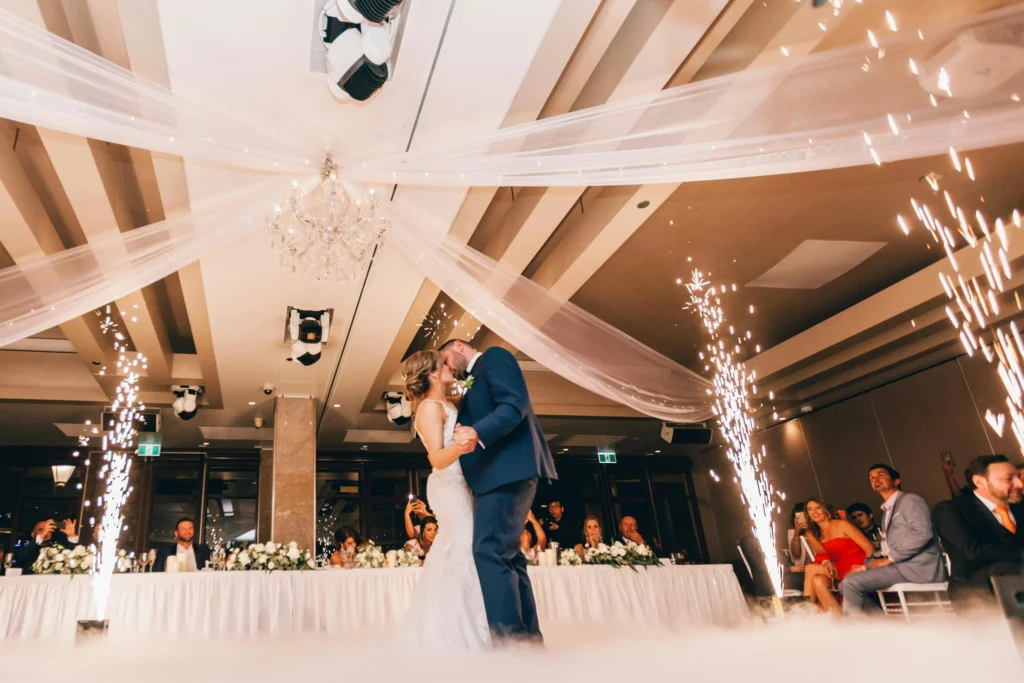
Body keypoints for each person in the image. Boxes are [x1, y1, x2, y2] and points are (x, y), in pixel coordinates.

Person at [441, 339, 558, 645]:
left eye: (446, 359)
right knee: (508, 555)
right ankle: (526, 642)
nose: (448, 368)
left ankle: (509, 642)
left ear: (458, 346)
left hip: (505, 472)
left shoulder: (493, 357)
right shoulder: (473, 378)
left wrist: (477, 431)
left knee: (488, 550)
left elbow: (514, 403)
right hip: (498, 475)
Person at [395, 349, 490, 650]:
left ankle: (464, 621)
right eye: (443, 363)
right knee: (464, 544)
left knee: (462, 548)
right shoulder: (428, 408)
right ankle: (457, 630)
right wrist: (463, 444)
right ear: (433, 373)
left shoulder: (449, 402)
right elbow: (436, 458)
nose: (450, 366)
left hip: (462, 484)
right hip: (447, 485)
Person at [838, 464, 947, 614]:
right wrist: (866, 566)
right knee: (843, 585)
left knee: (852, 583)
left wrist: (890, 558)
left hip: (917, 568)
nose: (875, 479)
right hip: (899, 567)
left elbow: (922, 533)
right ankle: (883, 624)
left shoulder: (911, 500)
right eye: (871, 478)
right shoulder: (887, 512)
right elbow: (886, 547)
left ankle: (854, 627)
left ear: (896, 481)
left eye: (881, 475)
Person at [933, 454, 1024, 611]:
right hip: (977, 593)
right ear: (979, 482)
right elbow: (972, 551)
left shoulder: (1019, 507)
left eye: (1018, 477)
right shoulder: (951, 510)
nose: (1019, 484)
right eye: (1008, 478)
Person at [801, 499, 874, 614]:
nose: (814, 512)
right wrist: (825, 561)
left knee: (810, 568)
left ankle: (804, 611)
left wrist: (865, 567)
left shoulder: (842, 524)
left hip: (855, 566)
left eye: (818, 508)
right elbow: (820, 551)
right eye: (810, 509)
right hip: (835, 567)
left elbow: (869, 547)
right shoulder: (811, 532)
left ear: (826, 510)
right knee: (818, 580)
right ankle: (837, 619)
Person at [13, 518, 80, 574]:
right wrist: (41, 535)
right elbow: (21, 557)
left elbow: (71, 557)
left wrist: (71, 536)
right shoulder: (30, 548)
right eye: (41, 530)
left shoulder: (57, 548)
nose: (46, 532)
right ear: (33, 534)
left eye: (49, 529)